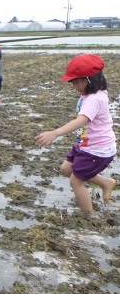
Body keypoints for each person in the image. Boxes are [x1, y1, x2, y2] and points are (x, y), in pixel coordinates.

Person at [35, 55, 116, 212]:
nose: (73, 86)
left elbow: (81, 120)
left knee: (76, 181)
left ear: (90, 79)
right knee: (66, 169)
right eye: (72, 82)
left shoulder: (94, 99)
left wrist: (55, 133)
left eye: (76, 81)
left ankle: (89, 217)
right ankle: (106, 183)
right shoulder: (91, 94)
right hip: (84, 144)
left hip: (97, 150)